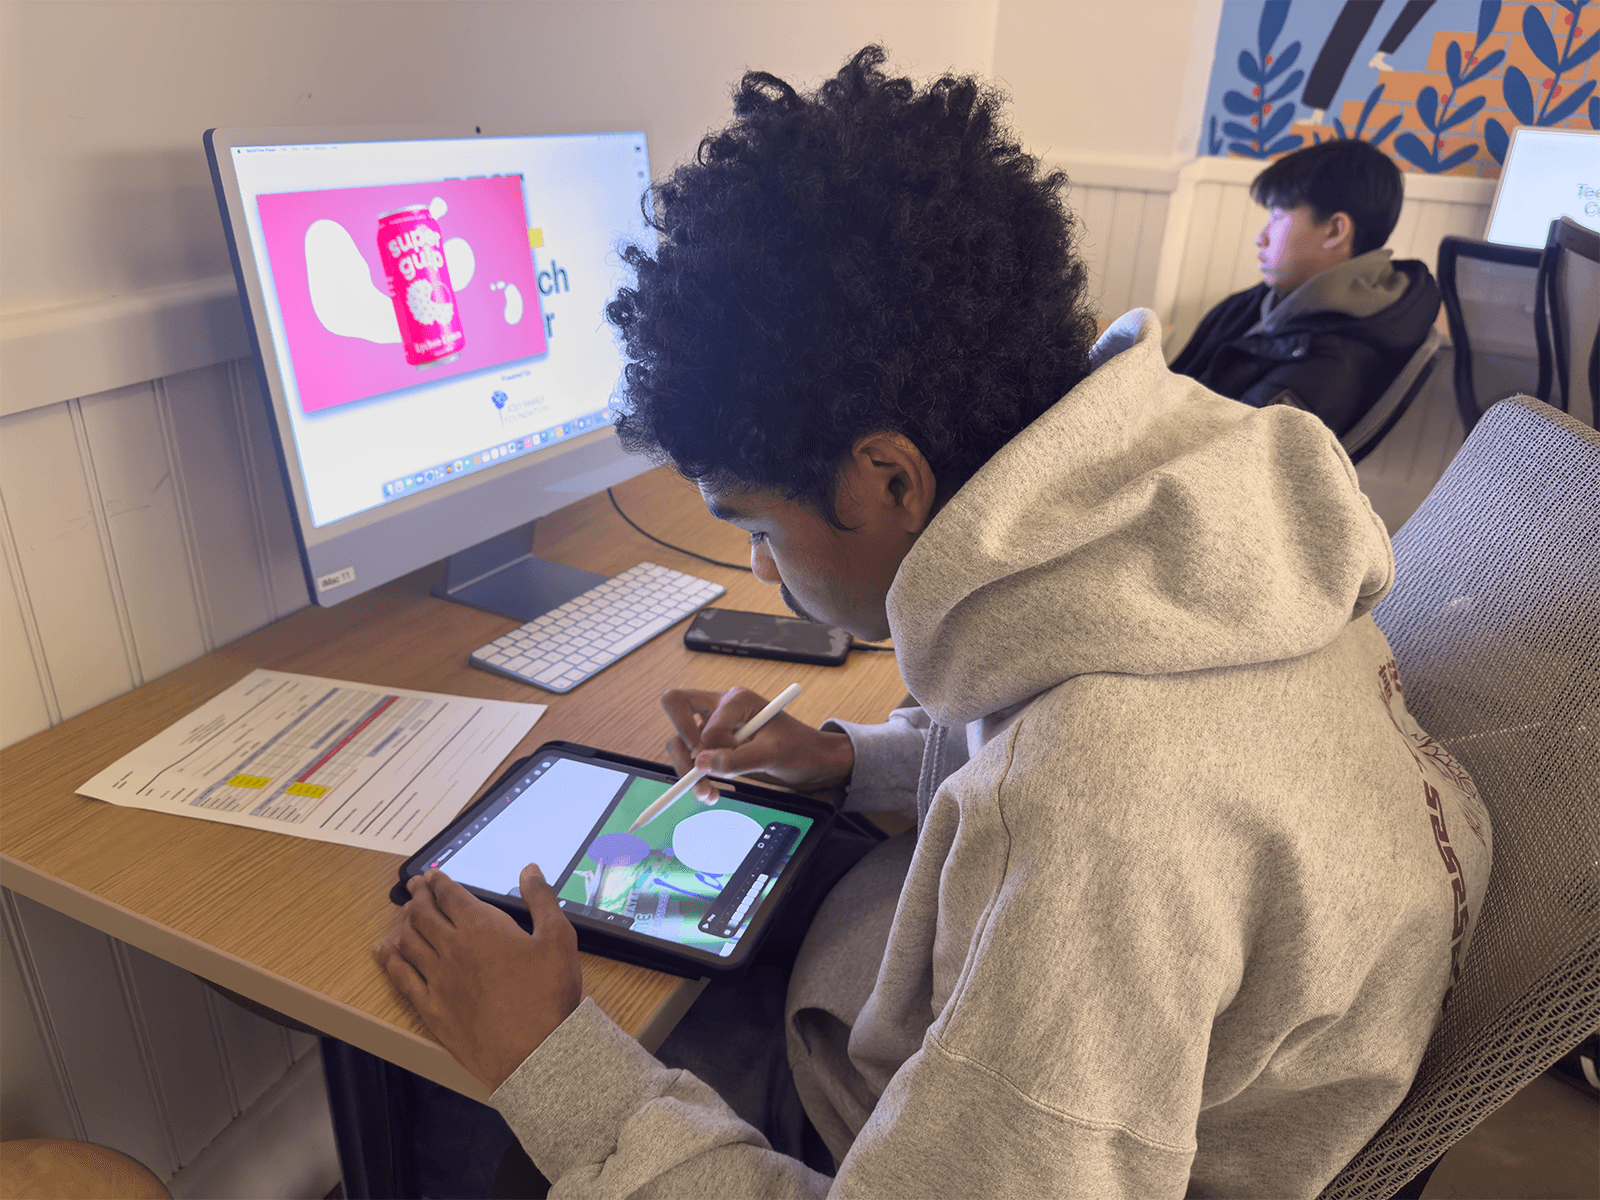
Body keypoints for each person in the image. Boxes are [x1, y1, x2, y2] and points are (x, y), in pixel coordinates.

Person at [375, 47, 1491, 1197]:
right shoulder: (1202, 506)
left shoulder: (1091, 824)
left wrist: (551, 1063)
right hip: (1120, 1060)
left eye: (753, 523)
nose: (758, 569)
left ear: (889, 481)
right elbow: (1077, 744)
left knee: (479, 1107)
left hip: (1030, 1126)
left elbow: (1088, 808)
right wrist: (852, 758)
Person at [1169, 137, 1441, 437]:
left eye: (1277, 216)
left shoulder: (1334, 366)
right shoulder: (1277, 299)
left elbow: (1229, 457)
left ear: (1334, 230)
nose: (1262, 237)